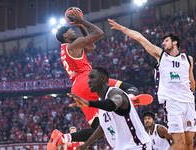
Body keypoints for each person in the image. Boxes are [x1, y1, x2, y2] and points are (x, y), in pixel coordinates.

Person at [47, 9, 139, 150]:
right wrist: (82, 21)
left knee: (99, 129)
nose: (74, 31)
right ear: (65, 35)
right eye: (71, 30)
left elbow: (91, 46)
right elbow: (99, 33)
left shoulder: (67, 49)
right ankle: (130, 98)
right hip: (86, 80)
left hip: (77, 87)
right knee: (129, 88)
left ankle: (64, 137)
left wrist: (81, 27)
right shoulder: (74, 45)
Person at [108, 18, 196, 150]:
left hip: (188, 101)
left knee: (189, 144)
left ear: (175, 42)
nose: (163, 43)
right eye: (163, 42)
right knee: (180, 145)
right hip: (173, 103)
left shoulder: (188, 59)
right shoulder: (161, 56)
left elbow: (192, 82)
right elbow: (140, 38)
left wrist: (190, 95)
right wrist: (122, 28)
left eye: (166, 41)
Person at [67, 67, 151, 150]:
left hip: (137, 145)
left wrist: (89, 103)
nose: (88, 81)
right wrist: (85, 145)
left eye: (92, 77)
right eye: (89, 78)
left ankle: (130, 97)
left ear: (103, 79)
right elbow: (102, 127)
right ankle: (130, 97)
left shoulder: (116, 92)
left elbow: (112, 105)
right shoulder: (101, 101)